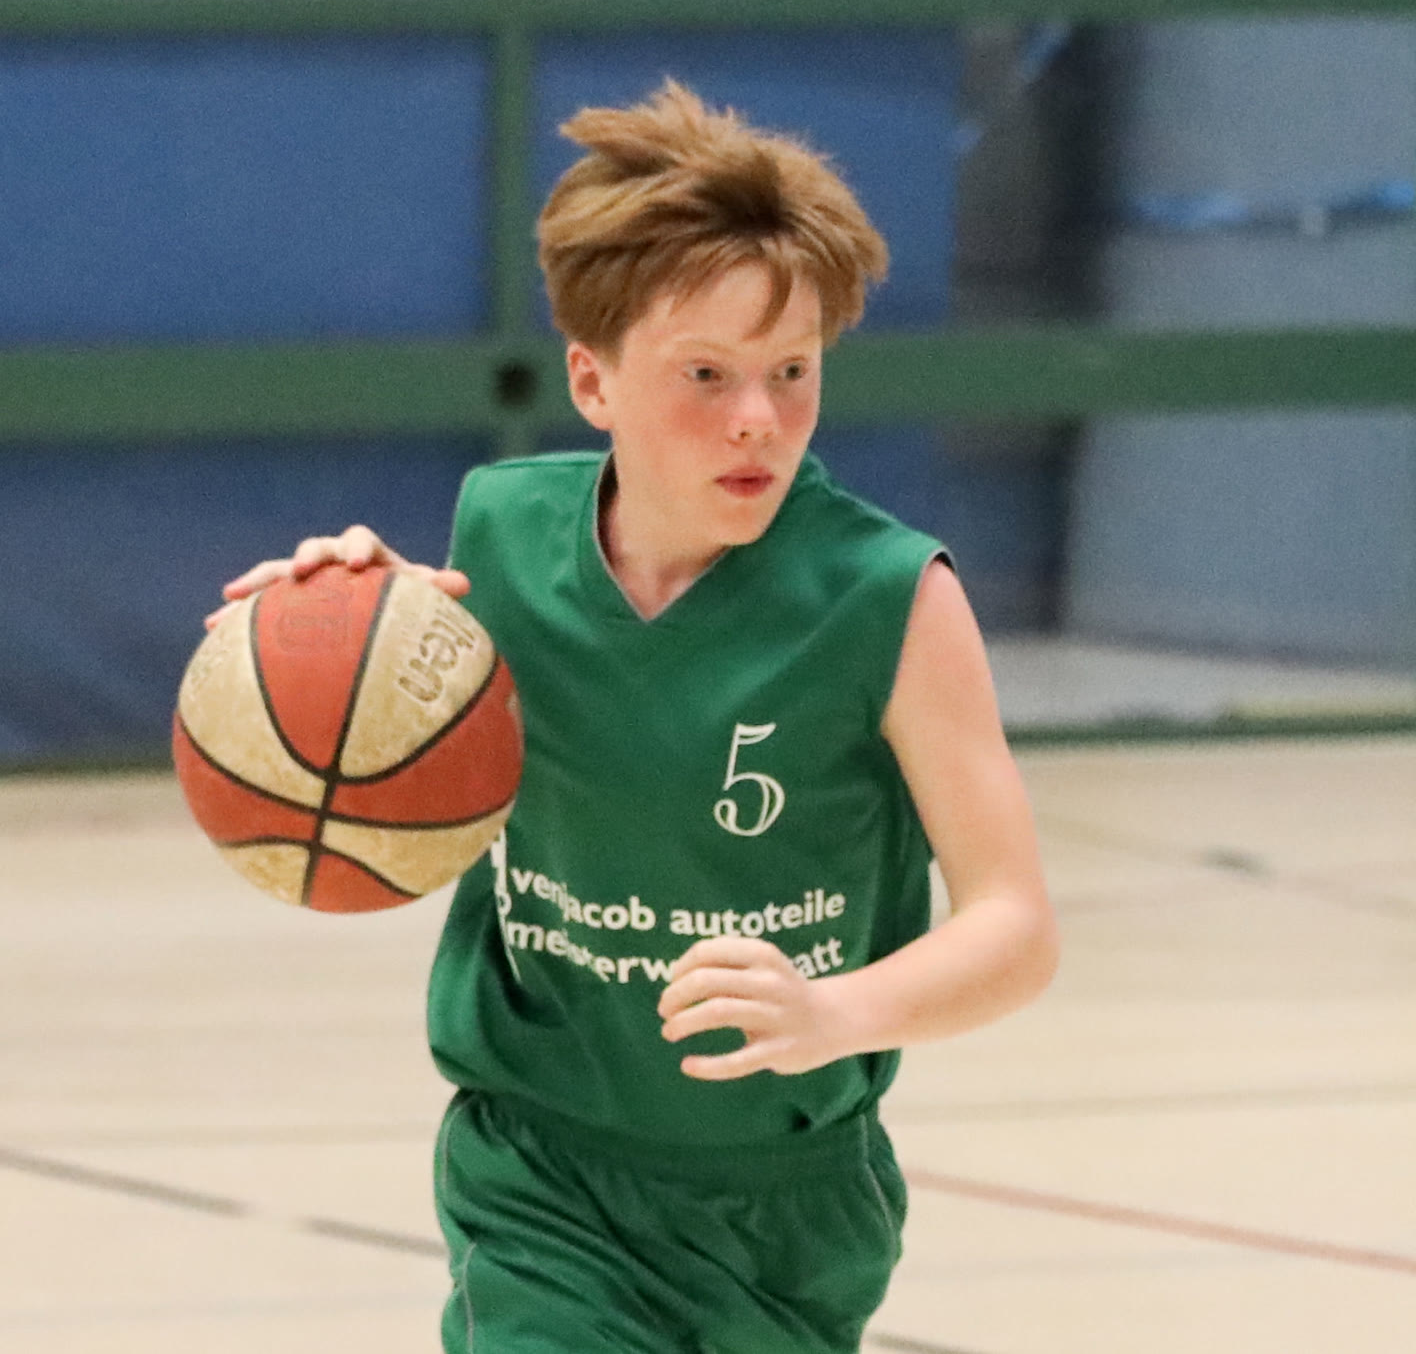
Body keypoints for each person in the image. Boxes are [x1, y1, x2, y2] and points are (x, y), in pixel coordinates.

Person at [212, 79, 1059, 1354]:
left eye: (790, 371)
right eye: (704, 374)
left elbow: (1015, 927)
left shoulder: (891, 598)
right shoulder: (501, 537)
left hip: (784, 1204)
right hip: (539, 1172)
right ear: (592, 380)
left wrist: (838, 1012)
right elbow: (396, 699)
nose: (757, 418)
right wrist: (340, 621)